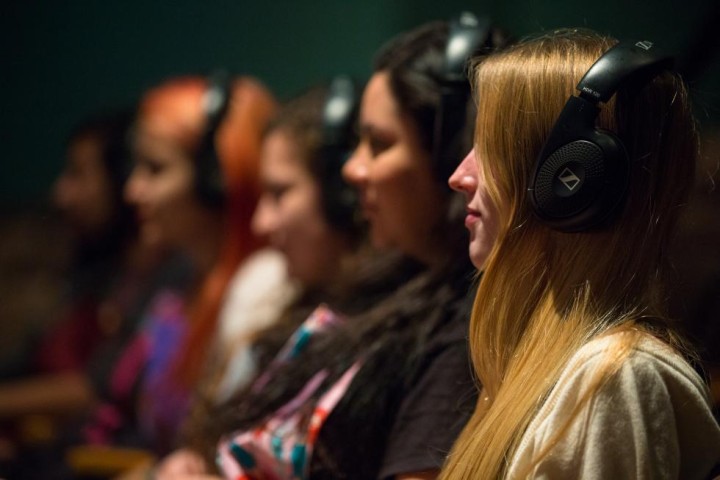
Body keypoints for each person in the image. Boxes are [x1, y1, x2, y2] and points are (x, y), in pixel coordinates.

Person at [179, 14, 508, 480]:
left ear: (446, 160)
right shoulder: (385, 287)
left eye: (378, 144)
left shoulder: (461, 336)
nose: (353, 171)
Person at [439, 30, 720, 479]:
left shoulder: (614, 378)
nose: (458, 176)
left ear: (569, 177)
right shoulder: (548, 369)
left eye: (488, 149)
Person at [76, 73, 278, 457]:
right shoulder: (176, 283)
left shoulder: (260, 295)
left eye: (155, 169)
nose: (133, 190)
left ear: (216, 181)